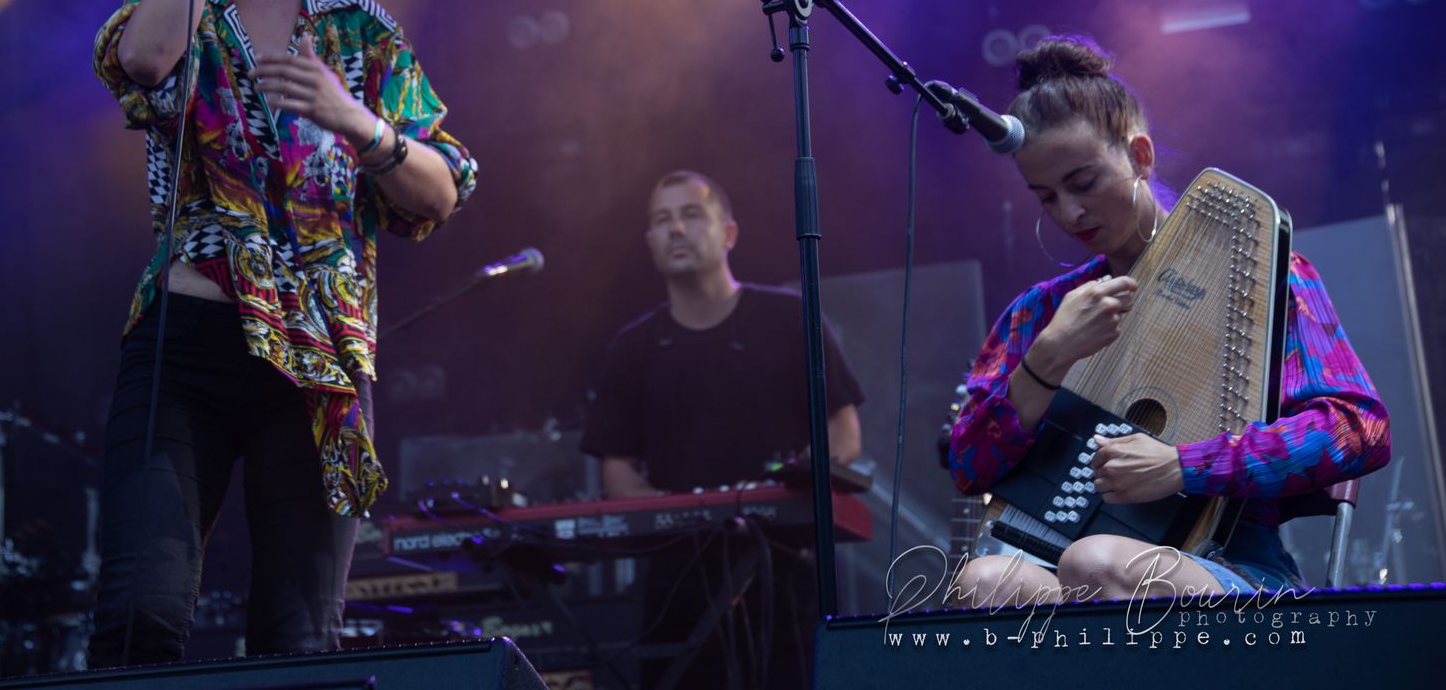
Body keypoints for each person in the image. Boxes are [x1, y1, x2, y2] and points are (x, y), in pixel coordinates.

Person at [86, 0, 477, 666]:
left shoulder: (360, 32)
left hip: (320, 361)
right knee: (143, 609)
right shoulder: (172, 3)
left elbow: (441, 189)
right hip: (186, 347)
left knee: (300, 642)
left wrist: (358, 122)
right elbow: (143, 60)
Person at [948, 36, 1390, 607]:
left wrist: (1184, 467)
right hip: (1059, 564)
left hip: (1227, 564)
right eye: (1046, 197)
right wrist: (1046, 360)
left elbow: (1360, 429)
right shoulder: (1041, 312)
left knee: (1096, 562)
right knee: (985, 581)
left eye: (1082, 183)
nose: (1069, 213)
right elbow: (967, 468)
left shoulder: (1257, 276)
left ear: (1139, 156)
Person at [581, 170, 864, 690]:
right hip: (678, 578)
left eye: (691, 214)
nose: (676, 229)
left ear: (728, 232)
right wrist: (686, 514)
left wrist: (784, 492)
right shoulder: (633, 347)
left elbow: (843, 434)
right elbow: (616, 472)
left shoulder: (791, 318)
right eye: (662, 220)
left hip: (786, 566)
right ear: (650, 242)